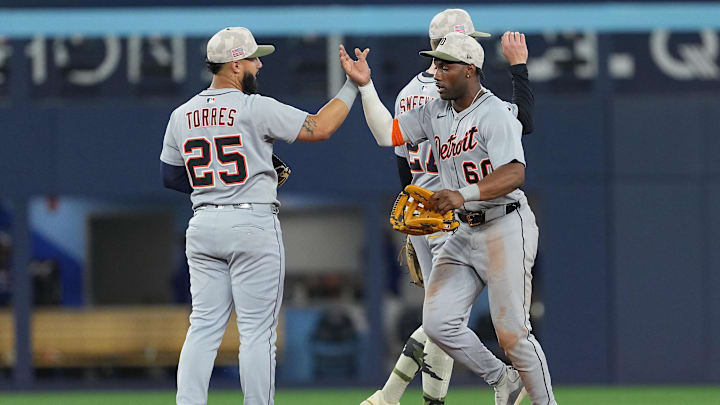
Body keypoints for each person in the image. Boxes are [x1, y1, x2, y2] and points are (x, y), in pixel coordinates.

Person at [341, 31, 557, 405]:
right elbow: (387, 134)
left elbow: (514, 173)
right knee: (439, 324)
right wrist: (366, 87)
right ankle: (502, 380)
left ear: (470, 70)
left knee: (512, 335)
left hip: (505, 223)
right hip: (464, 230)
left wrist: (463, 194)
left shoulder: (496, 112)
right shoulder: (434, 111)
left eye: (445, 65)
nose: (436, 72)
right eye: (435, 64)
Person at [160, 26, 359, 405]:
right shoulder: (254, 106)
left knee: (202, 328)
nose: (259, 64)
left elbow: (170, 176)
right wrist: (351, 86)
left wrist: (214, 187)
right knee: (256, 333)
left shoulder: (181, 114)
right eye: (253, 58)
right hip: (250, 222)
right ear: (235, 65)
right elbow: (321, 127)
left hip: (203, 222)